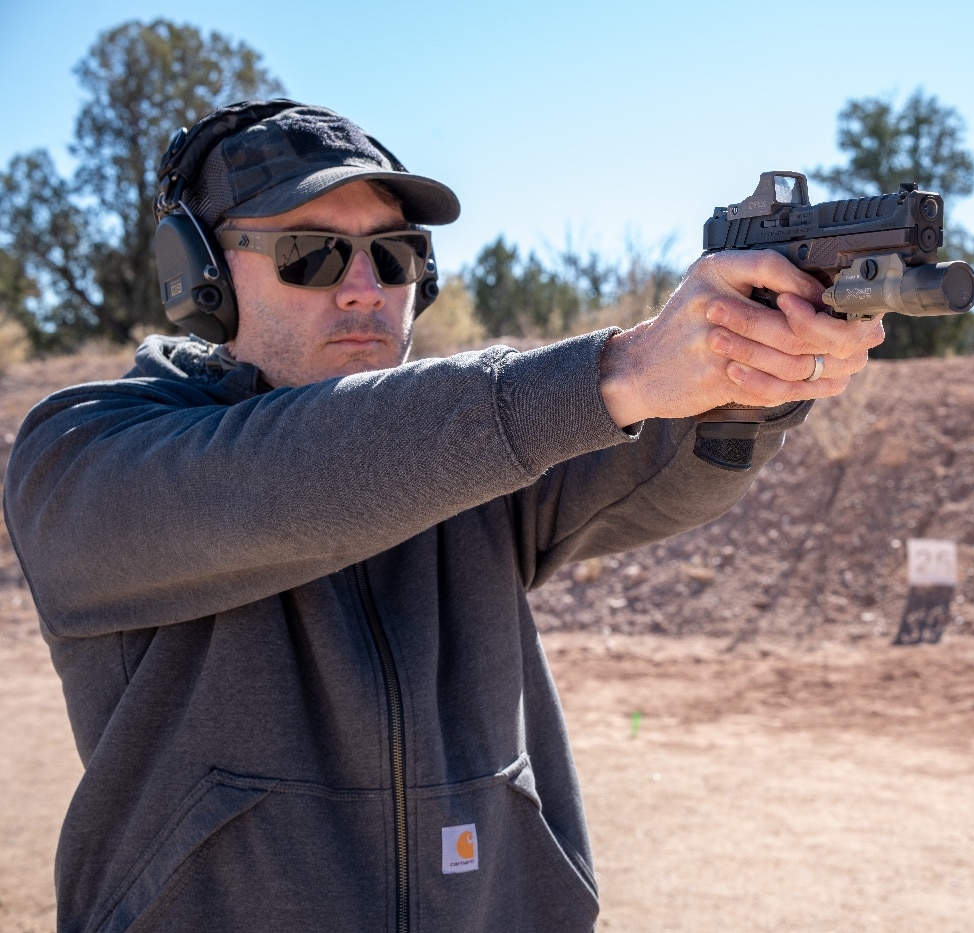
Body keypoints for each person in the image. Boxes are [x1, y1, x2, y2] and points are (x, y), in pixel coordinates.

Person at [3, 101, 884, 933]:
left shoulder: (461, 450)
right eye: (310, 253)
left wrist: (750, 377)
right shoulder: (82, 457)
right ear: (198, 277)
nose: (363, 287)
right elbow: (287, 480)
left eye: (393, 257)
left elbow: (659, 466)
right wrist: (621, 368)